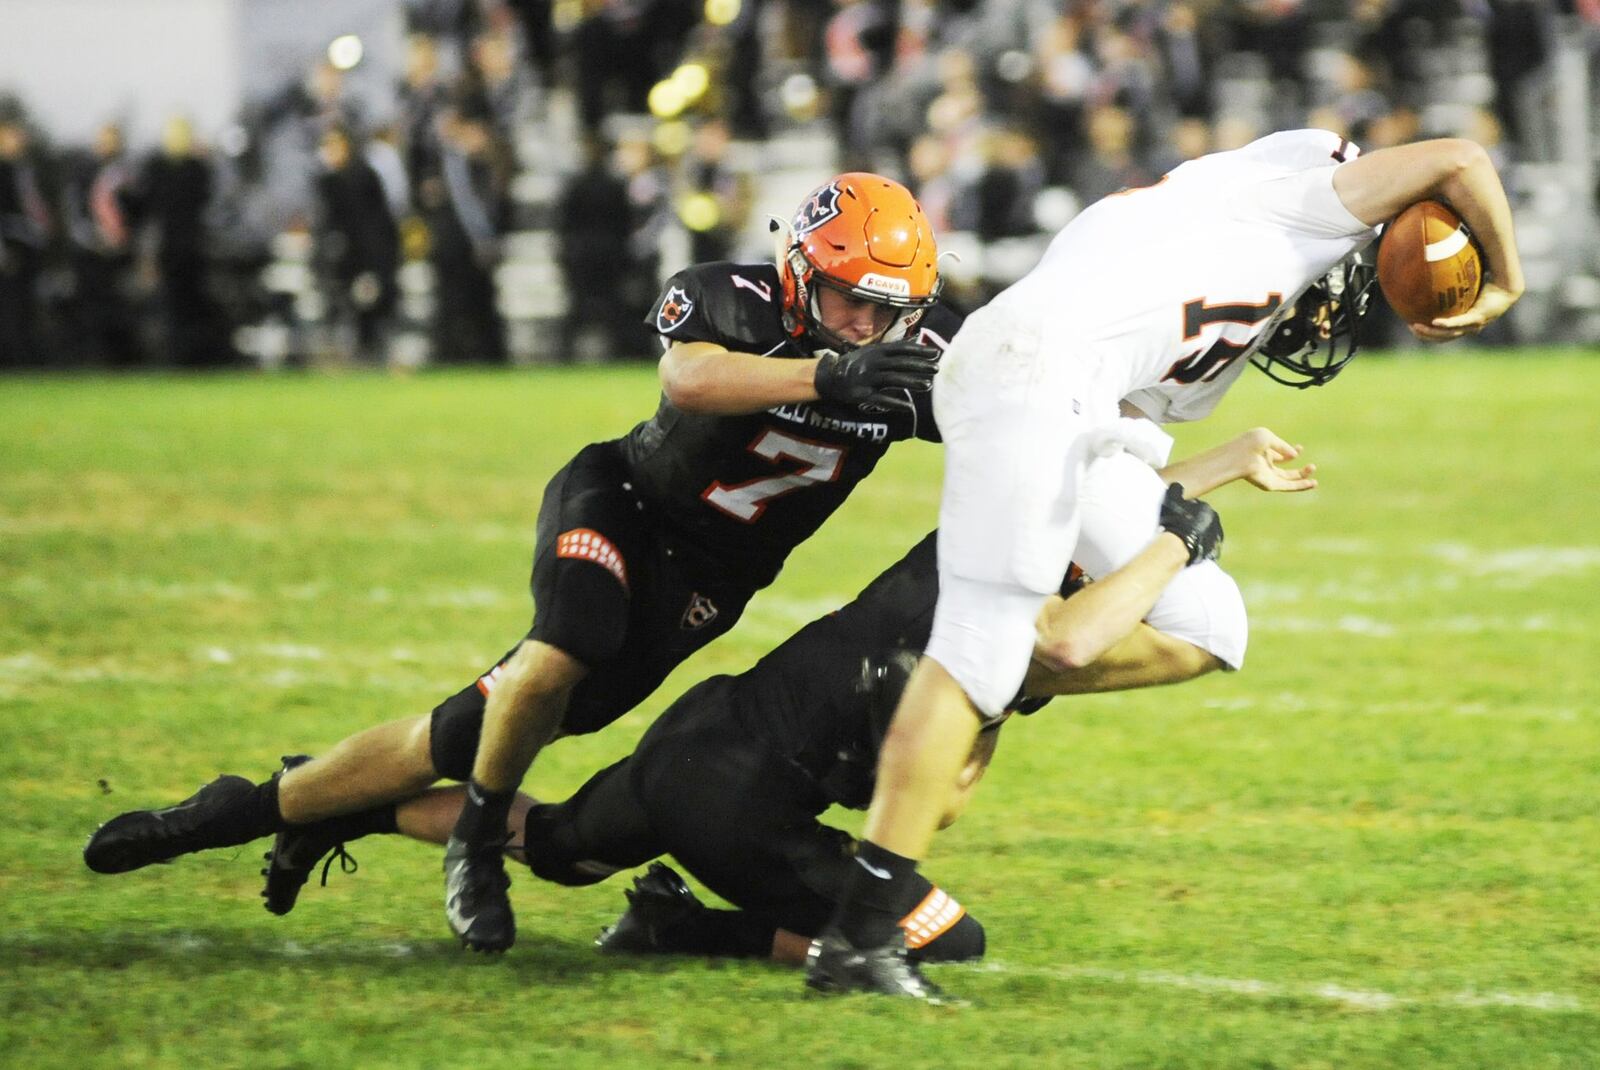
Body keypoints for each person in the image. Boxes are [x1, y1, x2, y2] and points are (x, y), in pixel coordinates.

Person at [81, 173, 952, 956]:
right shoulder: (731, 295)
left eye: (889, 309)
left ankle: (232, 811)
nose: (869, 327)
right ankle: (477, 843)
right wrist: (825, 376)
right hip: (623, 502)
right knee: (568, 640)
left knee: (461, 733)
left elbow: (1019, 418)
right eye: (850, 302)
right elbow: (689, 381)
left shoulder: (907, 361)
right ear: (801, 269)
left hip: (702, 589)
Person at [89, 426, 1311, 963]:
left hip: (709, 735)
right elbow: (1070, 642)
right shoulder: (1028, 623)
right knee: (948, 930)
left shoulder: (997, 557)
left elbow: (1086, 530)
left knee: (560, 844)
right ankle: (688, 926)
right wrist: (1185, 538)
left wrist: (1210, 482)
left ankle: (323, 808)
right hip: (729, 778)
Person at [807, 130, 1525, 1001]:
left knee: (1209, 622)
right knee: (986, 642)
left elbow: (1105, 459)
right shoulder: (1286, 200)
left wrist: (1226, 461)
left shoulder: (1184, 246)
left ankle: (962, 680)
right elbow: (1459, 160)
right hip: (1026, 372)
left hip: (1041, 381)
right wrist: (1507, 284)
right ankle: (860, 937)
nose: (1333, 304)